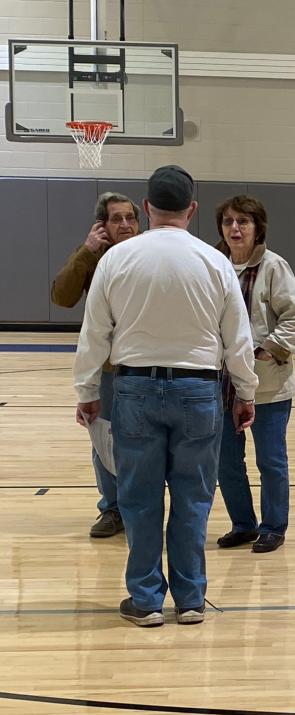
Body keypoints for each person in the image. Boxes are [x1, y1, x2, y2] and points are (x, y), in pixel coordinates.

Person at [74, 165, 258, 627]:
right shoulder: (215, 262)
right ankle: (191, 599)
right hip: (199, 391)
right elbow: (237, 338)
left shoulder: (117, 259)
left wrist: (88, 391)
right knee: (194, 498)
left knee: (138, 499)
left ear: (147, 208)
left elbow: (93, 333)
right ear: (192, 210)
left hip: (133, 388)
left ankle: (146, 600)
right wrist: (246, 394)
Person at [213, 195, 295, 554]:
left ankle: (273, 526)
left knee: (269, 459)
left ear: (258, 228)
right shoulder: (212, 264)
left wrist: (268, 347)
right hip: (219, 386)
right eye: (228, 222)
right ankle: (243, 524)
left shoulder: (274, 267)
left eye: (243, 221)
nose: (235, 228)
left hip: (268, 385)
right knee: (226, 461)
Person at [52, 192, 141, 538]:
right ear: (101, 225)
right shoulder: (92, 257)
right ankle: (112, 508)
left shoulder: (148, 253)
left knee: (145, 441)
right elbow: (62, 297)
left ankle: (142, 506)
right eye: (116, 219)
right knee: (104, 440)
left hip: (143, 366)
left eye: (130, 218)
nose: (125, 225)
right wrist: (86, 251)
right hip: (107, 370)